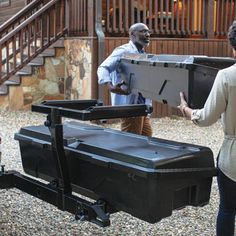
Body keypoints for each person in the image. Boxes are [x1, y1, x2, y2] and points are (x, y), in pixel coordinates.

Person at [178, 20, 236, 236]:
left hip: (233, 159)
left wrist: (186, 110)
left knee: (228, 210)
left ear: (232, 46)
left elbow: (206, 118)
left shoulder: (227, 76)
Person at [97, 23, 152, 137]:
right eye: (143, 31)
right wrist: (110, 86)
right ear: (132, 34)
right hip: (130, 107)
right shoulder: (123, 51)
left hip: (143, 106)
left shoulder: (142, 54)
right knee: (131, 142)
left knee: (147, 138)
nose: (147, 35)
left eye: (148, 32)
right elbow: (103, 68)